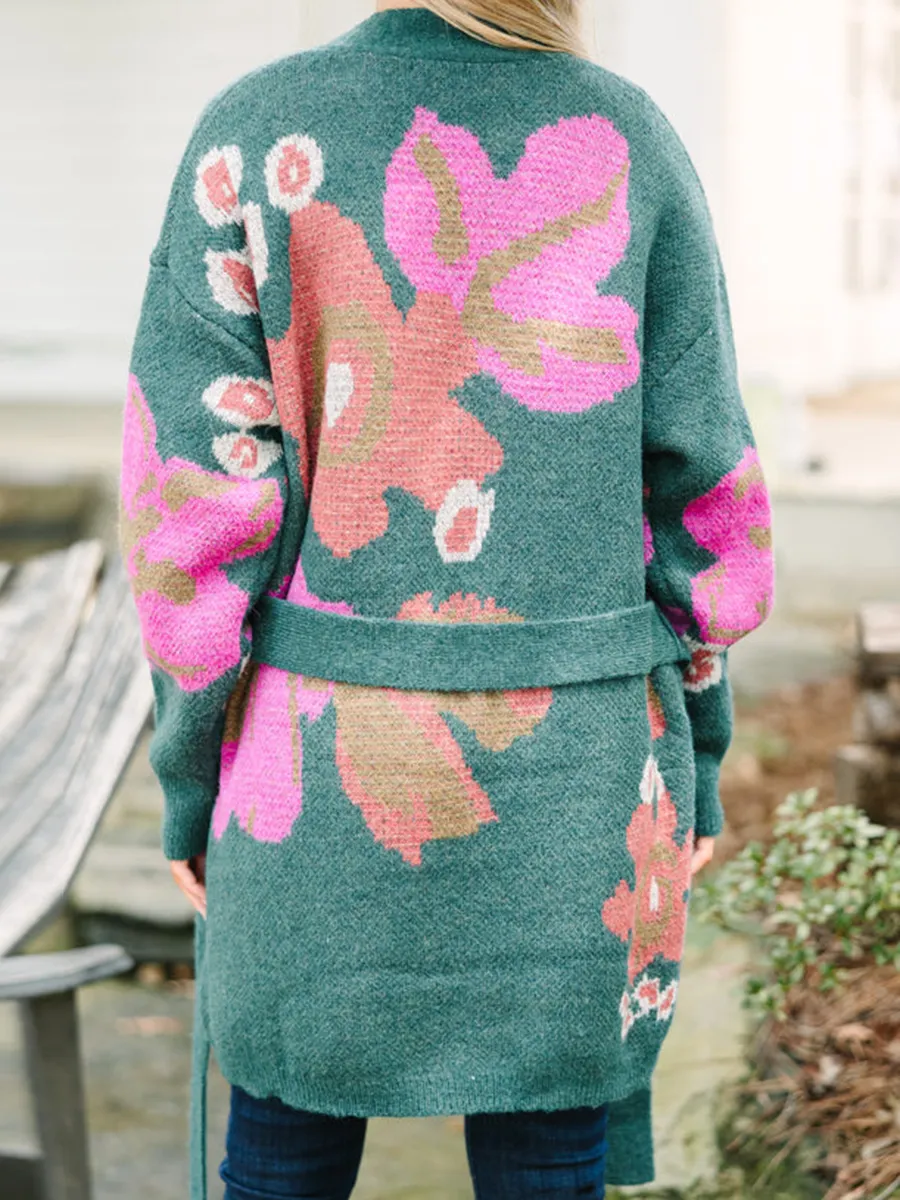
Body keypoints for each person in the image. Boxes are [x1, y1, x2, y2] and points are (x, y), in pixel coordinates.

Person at [118, 1, 775, 1196]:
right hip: (579, 779)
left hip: (307, 780)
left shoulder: (252, 134)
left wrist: (191, 779)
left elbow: (192, 522)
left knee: (283, 1147)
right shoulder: (630, 140)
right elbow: (707, 501)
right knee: (550, 1153)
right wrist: (698, 752)